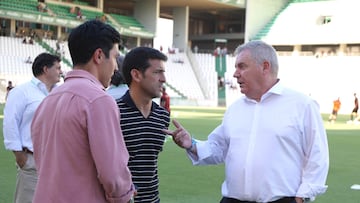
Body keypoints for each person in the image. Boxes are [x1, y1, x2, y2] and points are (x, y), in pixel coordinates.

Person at [164, 40, 329, 203]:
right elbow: (218, 148)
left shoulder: (302, 105)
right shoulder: (235, 109)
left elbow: (317, 156)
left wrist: (302, 197)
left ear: (265, 66)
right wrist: (191, 144)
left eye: (242, 66)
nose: (235, 74)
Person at [30, 20, 135, 203]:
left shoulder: (48, 100)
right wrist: (125, 194)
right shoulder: (99, 100)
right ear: (99, 56)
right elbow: (113, 173)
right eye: (115, 57)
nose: (117, 67)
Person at [3, 52, 62, 203]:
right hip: (31, 160)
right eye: (57, 68)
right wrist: (20, 157)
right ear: (45, 69)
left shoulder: (59, 93)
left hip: (56, 162)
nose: (60, 71)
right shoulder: (21, 92)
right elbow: (10, 123)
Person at [117, 46, 170, 202]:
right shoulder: (114, 113)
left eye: (163, 72)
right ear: (136, 75)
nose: (163, 79)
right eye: (156, 72)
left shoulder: (162, 116)